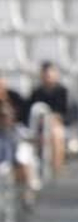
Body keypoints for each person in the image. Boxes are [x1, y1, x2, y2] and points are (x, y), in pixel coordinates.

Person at [26, 61, 78, 175]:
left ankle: (56, 169)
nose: (47, 77)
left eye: (49, 74)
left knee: (55, 133)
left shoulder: (64, 93)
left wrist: (57, 118)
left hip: (62, 129)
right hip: (39, 129)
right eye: (45, 75)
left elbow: (72, 115)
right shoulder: (36, 93)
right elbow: (28, 114)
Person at [0, 79, 39, 214]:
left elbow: (24, 124)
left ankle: (27, 196)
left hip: (15, 139)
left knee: (24, 158)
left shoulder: (15, 98)